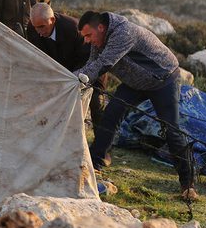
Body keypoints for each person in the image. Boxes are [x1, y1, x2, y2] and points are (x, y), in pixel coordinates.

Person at [74, 11, 197, 200]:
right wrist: (73, 77)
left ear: (100, 27)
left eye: (89, 35)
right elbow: (93, 63)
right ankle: (95, 167)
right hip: (135, 82)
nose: (88, 41)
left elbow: (105, 63)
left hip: (162, 79)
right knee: (111, 115)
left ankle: (188, 185)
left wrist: (78, 78)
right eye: (84, 37)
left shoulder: (124, 33)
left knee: (171, 129)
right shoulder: (99, 39)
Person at [28, 4, 106, 154]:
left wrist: (72, 78)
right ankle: (55, 142)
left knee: (96, 105)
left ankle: (101, 152)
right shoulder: (33, 29)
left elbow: (87, 58)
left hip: (89, 68)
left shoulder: (72, 28)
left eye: (42, 27)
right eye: (35, 27)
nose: (38, 31)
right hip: (61, 72)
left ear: (52, 20)